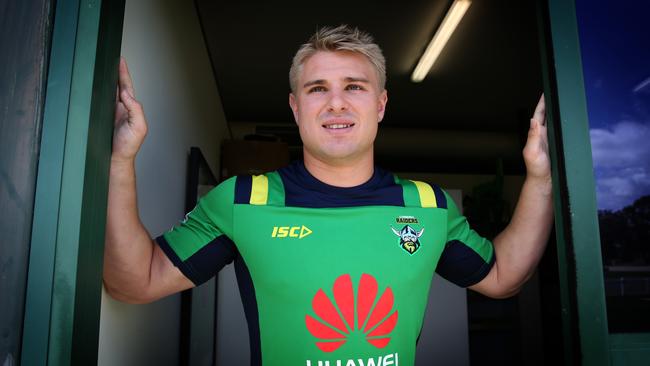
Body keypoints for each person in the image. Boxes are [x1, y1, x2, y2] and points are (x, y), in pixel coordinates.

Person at [104, 25, 553, 366]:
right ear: (295, 107)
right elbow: (135, 280)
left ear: (380, 104)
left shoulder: (427, 206)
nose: (336, 103)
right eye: (317, 89)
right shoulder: (243, 200)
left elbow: (502, 277)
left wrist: (541, 177)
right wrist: (119, 160)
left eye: (354, 87)